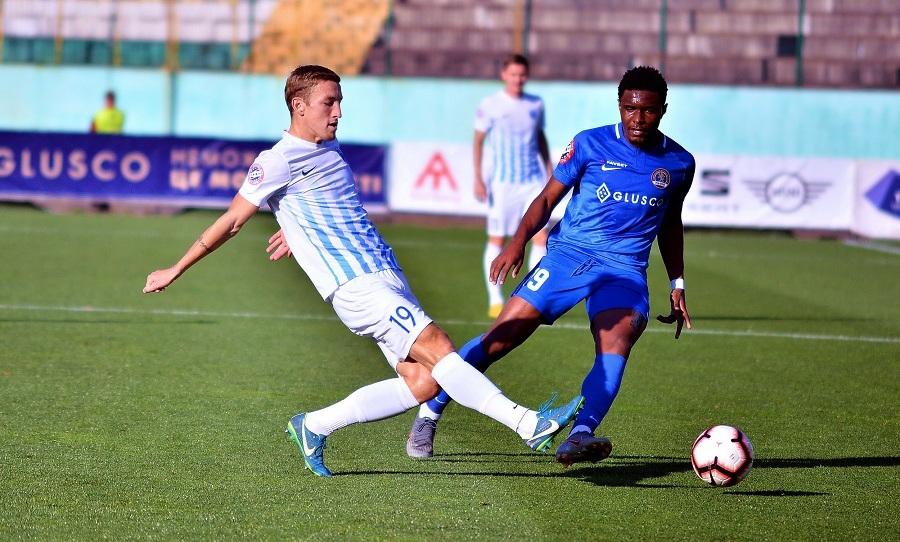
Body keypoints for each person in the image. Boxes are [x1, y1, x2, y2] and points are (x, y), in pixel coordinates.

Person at [142, 65, 583, 478]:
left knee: (423, 382)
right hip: (357, 286)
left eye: (339, 102)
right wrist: (176, 269)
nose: (338, 112)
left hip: (384, 272)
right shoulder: (277, 159)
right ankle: (527, 424)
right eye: (328, 103)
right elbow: (232, 221)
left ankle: (314, 425)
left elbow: (323, 204)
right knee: (439, 346)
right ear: (299, 106)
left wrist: (297, 230)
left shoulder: (327, 148)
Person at [404, 65, 695, 464]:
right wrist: (518, 242)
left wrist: (677, 283)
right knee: (500, 338)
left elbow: (671, 223)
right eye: (630, 108)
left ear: (662, 109)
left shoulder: (679, 163)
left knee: (616, 346)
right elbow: (546, 198)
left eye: (648, 110)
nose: (638, 119)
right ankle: (430, 411)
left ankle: (581, 434)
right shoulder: (590, 144)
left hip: (625, 271)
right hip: (568, 256)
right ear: (619, 105)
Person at [473, 54, 553, 319]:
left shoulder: (535, 104)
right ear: (504, 75)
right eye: (513, 74)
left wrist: (549, 169)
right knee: (498, 239)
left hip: (532, 182)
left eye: (522, 74)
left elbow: (539, 137)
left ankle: (531, 297)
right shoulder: (490, 105)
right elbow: (478, 140)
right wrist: (478, 177)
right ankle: (495, 299)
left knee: (541, 236)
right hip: (503, 184)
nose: (518, 79)